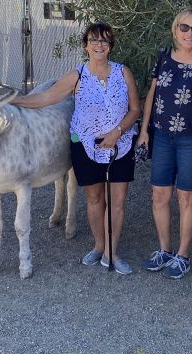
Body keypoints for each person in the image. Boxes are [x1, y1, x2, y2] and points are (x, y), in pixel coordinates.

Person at [10, 23, 141, 274]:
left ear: (110, 45)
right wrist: (13, 99)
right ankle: (99, 245)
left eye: (104, 41)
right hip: (86, 144)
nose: (99, 45)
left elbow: (135, 109)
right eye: (94, 40)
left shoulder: (124, 72)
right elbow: (45, 98)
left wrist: (117, 132)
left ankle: (112, 253)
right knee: (94, 198)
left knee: (117, 202)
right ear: (86, 45)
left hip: (120, 145)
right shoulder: (76, 76)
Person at [137, 8, 192, 279]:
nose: (189, 33)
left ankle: (183, 254)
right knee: (159, 195)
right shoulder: (164, 56)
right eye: (184, 27)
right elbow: (152, 93)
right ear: (176, 29)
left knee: (186, 196)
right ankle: (164, 250)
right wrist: (144, 130)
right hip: (162, 135)